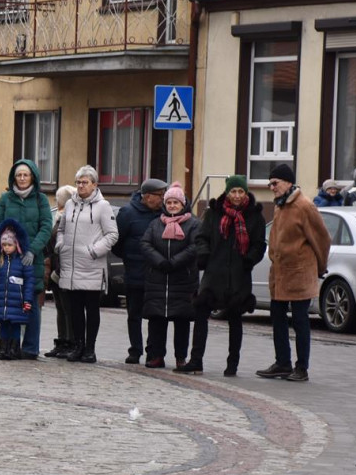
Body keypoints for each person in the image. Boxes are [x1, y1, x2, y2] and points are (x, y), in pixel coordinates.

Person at [258, 163, 331, 382]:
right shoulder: (281, 204)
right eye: (270, 183)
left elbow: (322, 238)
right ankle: (282, 363)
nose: (271, 187)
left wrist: (319, 267)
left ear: (288, 182)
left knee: (300, 321)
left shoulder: (304, 206)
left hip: (299, 273)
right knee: (278, 318)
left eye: (275, 183)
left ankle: (301, 368)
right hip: (279, 273)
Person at [187, 175, 267, 376]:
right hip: (214, 273)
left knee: (235, 319)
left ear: (245, 192)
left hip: (239, 275)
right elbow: (201, 237)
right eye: (233, 191)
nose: (237, 195)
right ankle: (196, 360)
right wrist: (204, 255)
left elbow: (259, 244)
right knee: (201, 314)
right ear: (227, 192)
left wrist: (250, 259)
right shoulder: (214, 212)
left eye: (241, 191)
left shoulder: (254, 216)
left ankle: (232, 364)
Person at [55, 165, 119, 364]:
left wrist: (94, 250)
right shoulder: (71, 205)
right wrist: (61, 244)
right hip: (71, 266)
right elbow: (61, 228)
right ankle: (78, 345)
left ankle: (90, 348)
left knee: (91, 309)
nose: (81, 186)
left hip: (91, 266)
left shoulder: (103, 206)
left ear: (94, 184)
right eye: (78, 182)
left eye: (85, 182)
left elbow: (112, 234)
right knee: (74, 309)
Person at [0, 160, 53, 358]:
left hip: (31, 259)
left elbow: (46, 226)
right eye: (19, 175)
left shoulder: (40, 200)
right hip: (8, 258)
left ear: (32, 176)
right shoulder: (6, 199)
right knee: (10, 301)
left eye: (26, 175)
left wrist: (32, 250)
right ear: (14, 177)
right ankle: (10, 347)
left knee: (31, 301)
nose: (23, 178)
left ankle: (30, 348)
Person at [140, 182, 201, 369]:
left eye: (176, 202)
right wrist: (160, 261)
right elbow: (145, 244)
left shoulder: (194, 224)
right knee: (157, 321)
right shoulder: (155, 223)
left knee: (181, 322)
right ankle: (156, 355)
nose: (172, 206)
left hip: (182, 280)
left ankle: (181, 357)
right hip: (158, 280)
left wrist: (175, 262)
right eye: (169, 202)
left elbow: (195, 246)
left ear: (183, 204)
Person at [112, 177, 167, 364]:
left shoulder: (164, 214)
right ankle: (135, 350)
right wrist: (129, 257)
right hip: (134, 272)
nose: (163, 199)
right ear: (147, 196)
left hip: (157, 275)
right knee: (134, 315)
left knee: (156, 316)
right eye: (160, 195)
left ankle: (154, 352)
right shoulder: (127, 213)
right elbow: (116, 243)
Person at [0, 220, 36, 360]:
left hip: (17, 302)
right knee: (3, 326)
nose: (7, 248)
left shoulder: (23, 261)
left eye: (10, 245)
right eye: (4, 245)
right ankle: (3, 349)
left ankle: (14, 350)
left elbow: (29, 282)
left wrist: (27, 300)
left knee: (15, 326)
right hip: (2, 301)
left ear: (17, 244)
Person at [43, 185, 78, 358]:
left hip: (65, 269)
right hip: (56, 270)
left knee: (67, 308)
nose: (57, 202)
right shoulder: (58, 218)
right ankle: (62, 341)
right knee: (60, 307)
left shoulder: (69, 219)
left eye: (58, 199)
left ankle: (70, 342)